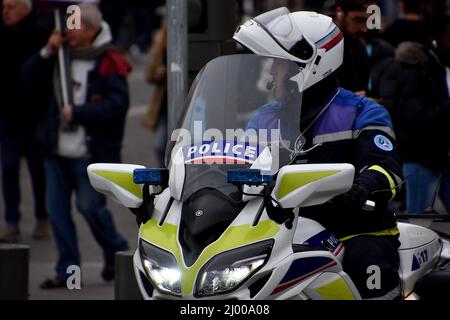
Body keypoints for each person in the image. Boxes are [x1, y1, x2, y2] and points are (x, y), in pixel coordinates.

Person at [234, 8, 403, 299]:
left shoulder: (362, 112)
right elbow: (239, 164)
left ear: (309, 64)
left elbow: (387, 169)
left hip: (353, 228)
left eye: (279, 64)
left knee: (366, 265)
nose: (272, 72)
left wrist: (361, 188)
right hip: (284, 232)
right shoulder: (264, 118)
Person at [22, 3, 130, 288]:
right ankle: (68, 272)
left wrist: (80, 113)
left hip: (89, 154)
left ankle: (116, 250)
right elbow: (25, 80)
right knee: (57, 214)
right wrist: (47, 51)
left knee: (90, 208)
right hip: (55, 152)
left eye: (75, 25)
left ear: (93, 30)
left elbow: (117, 107)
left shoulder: (108, 60)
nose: (67, 31)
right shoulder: (57, 56)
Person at [376, 15, 450, 214]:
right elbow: (412, 116)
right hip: (420, 156)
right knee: (416, 219)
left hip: (433, 155)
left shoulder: (430, 65)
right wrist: (445, 108)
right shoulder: (416, 70)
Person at [0, 0, 50, 242]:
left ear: (25, 8)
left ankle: (42, 216)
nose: (5, 12)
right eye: (3, 8)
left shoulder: (40, 32)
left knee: (37, 169)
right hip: (9, 115)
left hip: (35, 114)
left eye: (10, 7)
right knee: (8, 167)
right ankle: (12, 221)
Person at [333, 0, 395, 96]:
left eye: (368, 21)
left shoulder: (358, 46)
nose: (365, 29)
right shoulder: (323, 45)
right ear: (340, 13)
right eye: (358, 20)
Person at [144, 19, 168, 167]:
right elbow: (148, 74)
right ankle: (165, 177)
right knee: (161, 147)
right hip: (165, 102)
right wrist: (156, 73)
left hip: (188, 101)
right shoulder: (160, 42)